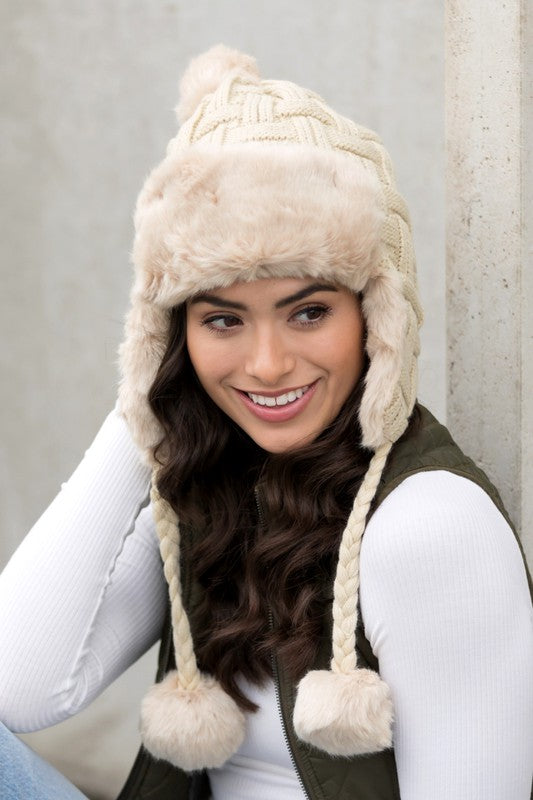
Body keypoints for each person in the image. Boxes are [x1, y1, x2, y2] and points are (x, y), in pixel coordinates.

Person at [0, 45, 532, 800]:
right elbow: (18, 686)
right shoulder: (208, 492)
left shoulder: (430, 527)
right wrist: (143, 400)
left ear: (376, 317)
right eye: (222, 319)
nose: (268, 364)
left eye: (308, 312)